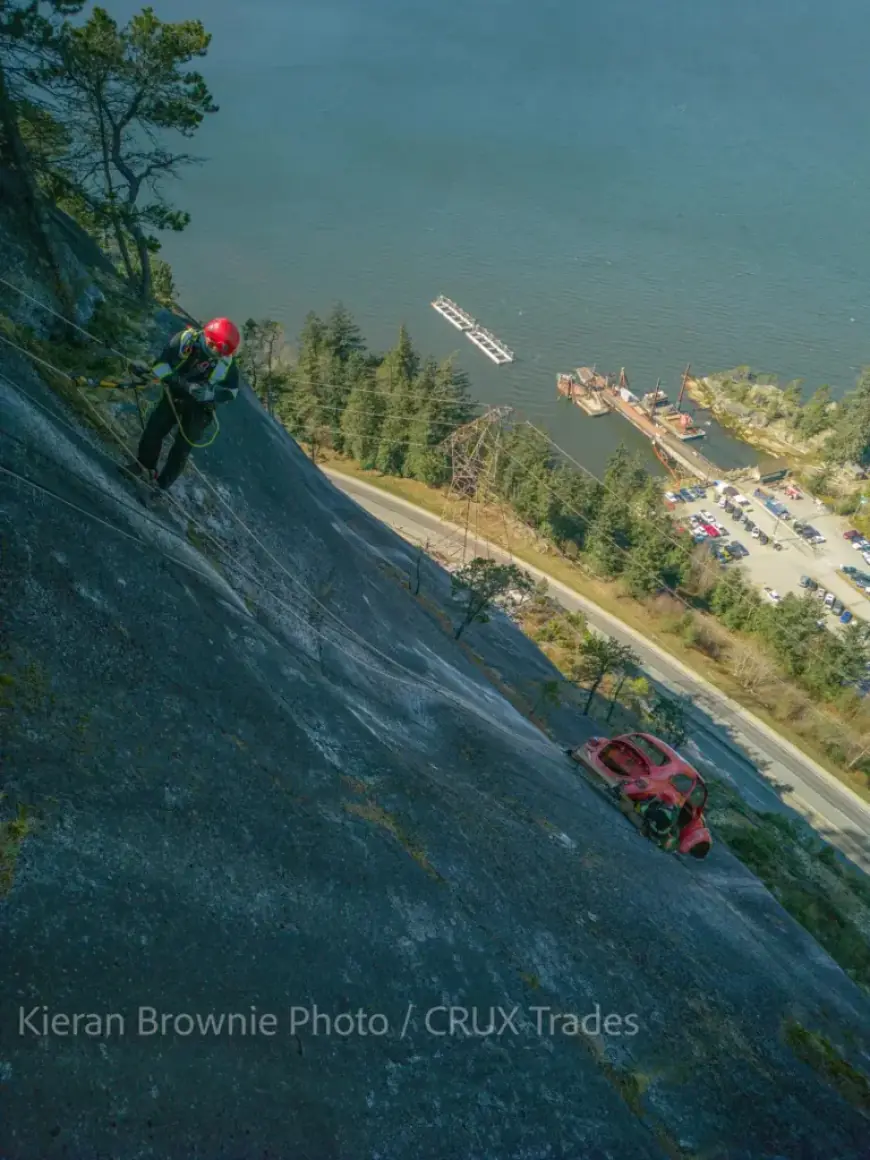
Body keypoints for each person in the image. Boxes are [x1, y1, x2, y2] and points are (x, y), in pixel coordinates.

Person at [127, 317, 241, 494]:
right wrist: (184, 385)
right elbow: (160, 367)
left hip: (200, 408)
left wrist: (210, 394)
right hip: (176, 393)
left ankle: (161, 486)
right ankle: (144, 466)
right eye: (212, 345)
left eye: (220, 351)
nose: (215, 352)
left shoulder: (227, 364)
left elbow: (232, 391)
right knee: (155, 429)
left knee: (181, 448)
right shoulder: (184, 340)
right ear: (205, 335)